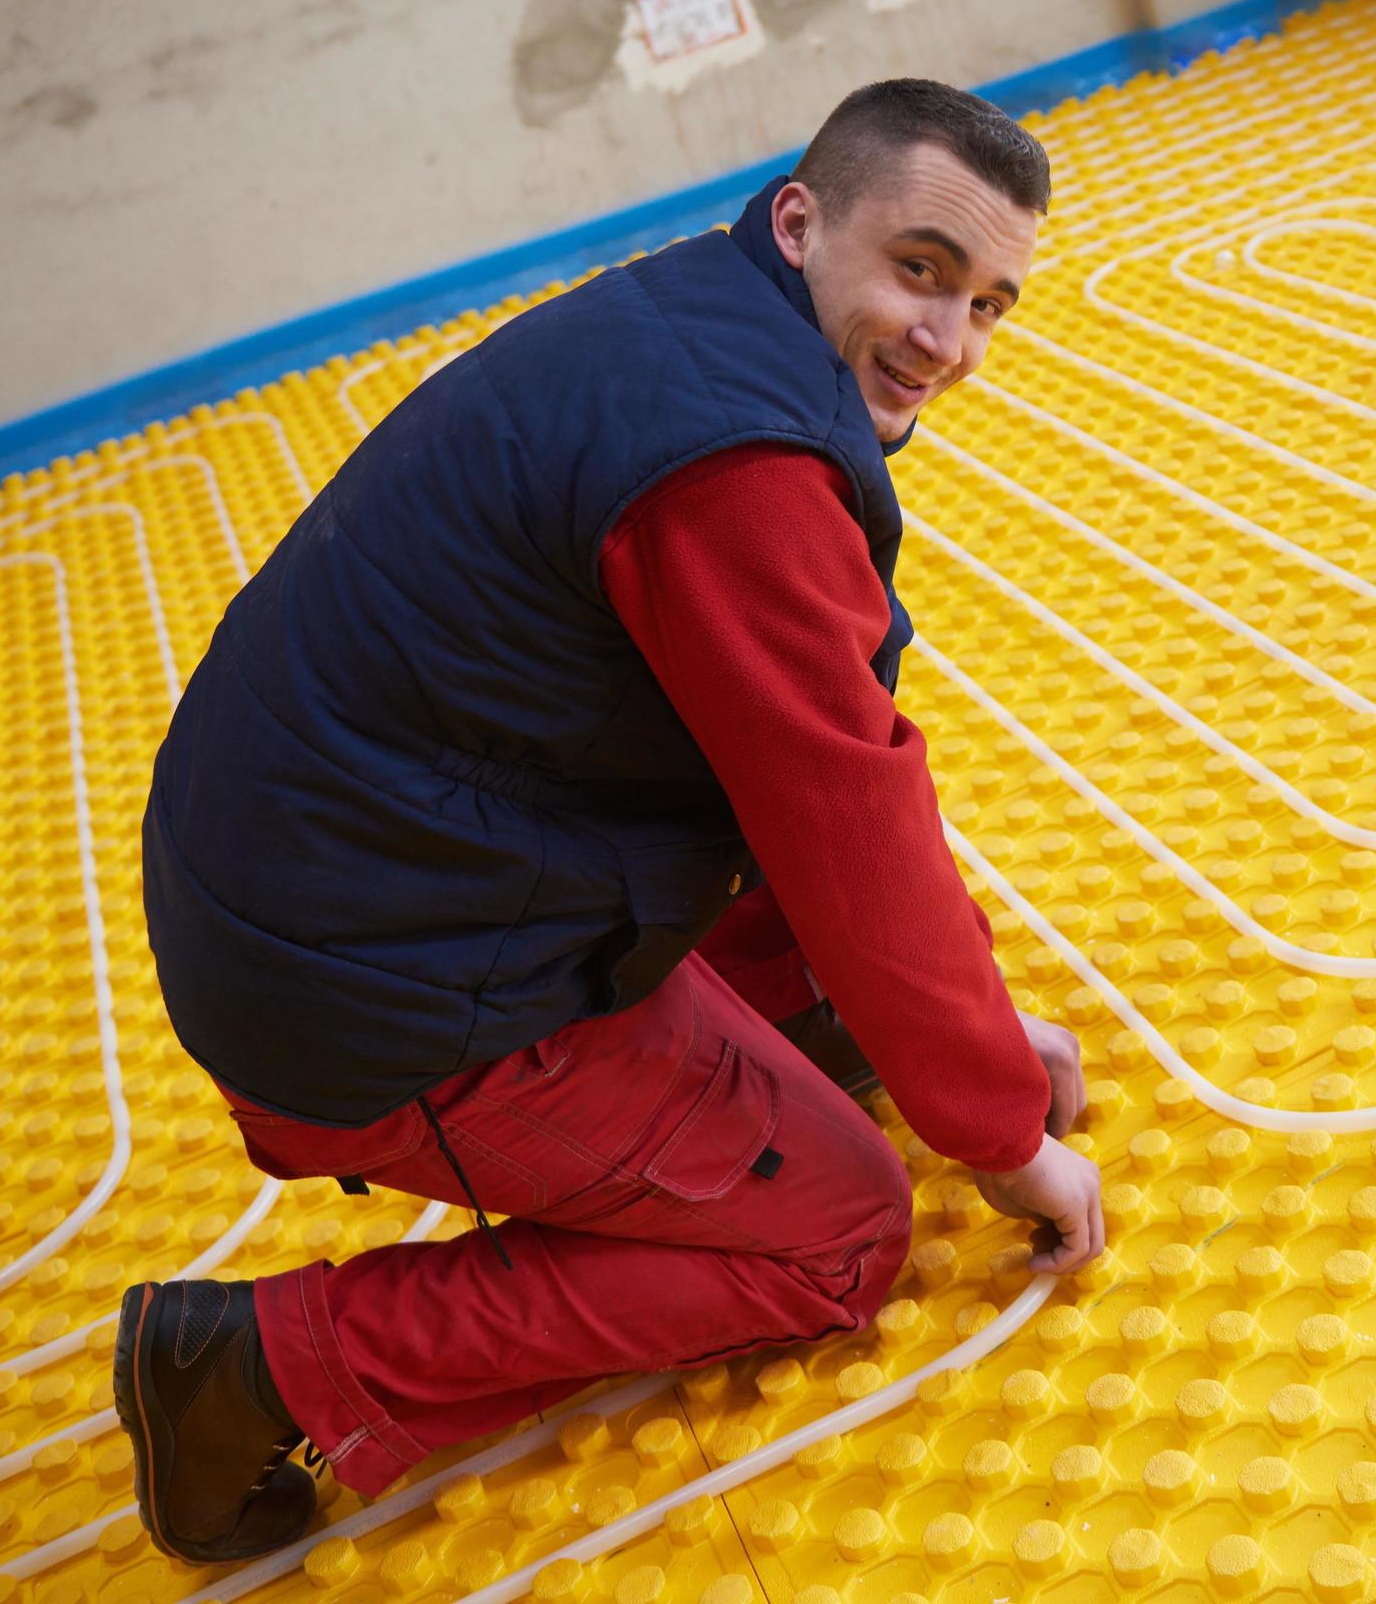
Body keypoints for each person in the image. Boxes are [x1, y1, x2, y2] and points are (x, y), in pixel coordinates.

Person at [111, 80, 1106, 1563]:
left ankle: (795, 1049)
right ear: (799, 219)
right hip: (372, 984)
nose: (946, 343)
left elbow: (823, 765)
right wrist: (998, 1130)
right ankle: (256, 1364)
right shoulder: (741, 470)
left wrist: (953, 1025)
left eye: (986, 305)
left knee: (829, 996)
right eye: (918, 270)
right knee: (841, 1229)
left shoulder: (695, 325)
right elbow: (843, 807)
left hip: (341, 868)